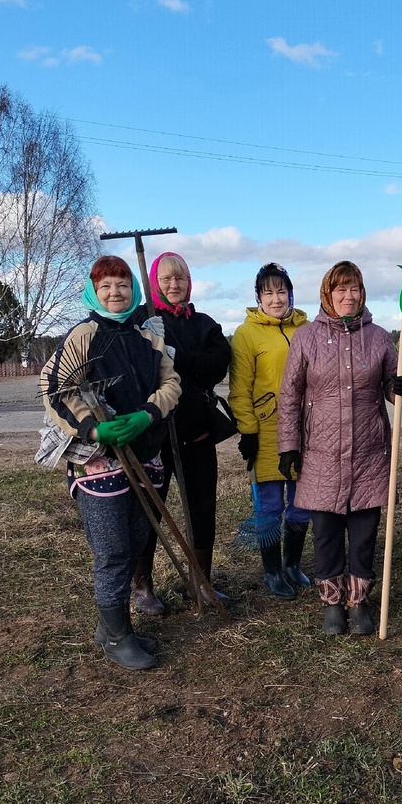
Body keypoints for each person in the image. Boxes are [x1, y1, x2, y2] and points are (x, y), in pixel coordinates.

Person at [40, 255, 181, 670]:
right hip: (99, 464)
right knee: (112, 549)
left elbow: (171, 382)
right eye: (106, 287)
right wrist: (93, 429)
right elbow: (55, 390)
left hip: (145, 455)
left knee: (138, 539)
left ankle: (112, 628)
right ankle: (117, 636)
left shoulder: (148, 336)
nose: (115, 293)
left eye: (122, 285)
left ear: (134, 290)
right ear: (93, 291)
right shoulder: (82, 336)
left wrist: (148, 414)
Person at [276, 260, 402, 636]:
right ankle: (332, 604)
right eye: (341, 289)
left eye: (354, 288)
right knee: (325, 531)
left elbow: (391, 384)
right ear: (328, 294)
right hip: (321, 451)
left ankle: (360, 602)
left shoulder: (379, 337)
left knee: (364, 531)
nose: (348, 296)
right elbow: (289, 394)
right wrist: (289, 444)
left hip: (369, 451)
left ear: (363, 292)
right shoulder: (305, 338)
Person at [130, 252, 231, 614]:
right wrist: (148, 344)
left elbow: (215, 367)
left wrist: (174, 353)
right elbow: (132, 366)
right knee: (148, 511)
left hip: (196, 432)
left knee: (202, 509)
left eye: (181, 279)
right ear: (154, 281)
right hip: (152, 436)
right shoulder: (139, 320)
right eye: (167, 279)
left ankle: (201, 583)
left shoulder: (204, 324)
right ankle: (141, 586)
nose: (174, 286)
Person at [228, 263, 311, 599]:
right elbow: (239, 389)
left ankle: (292, 564)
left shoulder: (307, 328)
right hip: (266, 431)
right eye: (269, 292)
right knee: (270, 504)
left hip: (306, 430)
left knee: (303, 502)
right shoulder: (246, 334)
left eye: (282, 291)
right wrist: (247, 431)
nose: (276, 299)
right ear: (258, 297)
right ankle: (273, 572)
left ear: (291, 293)